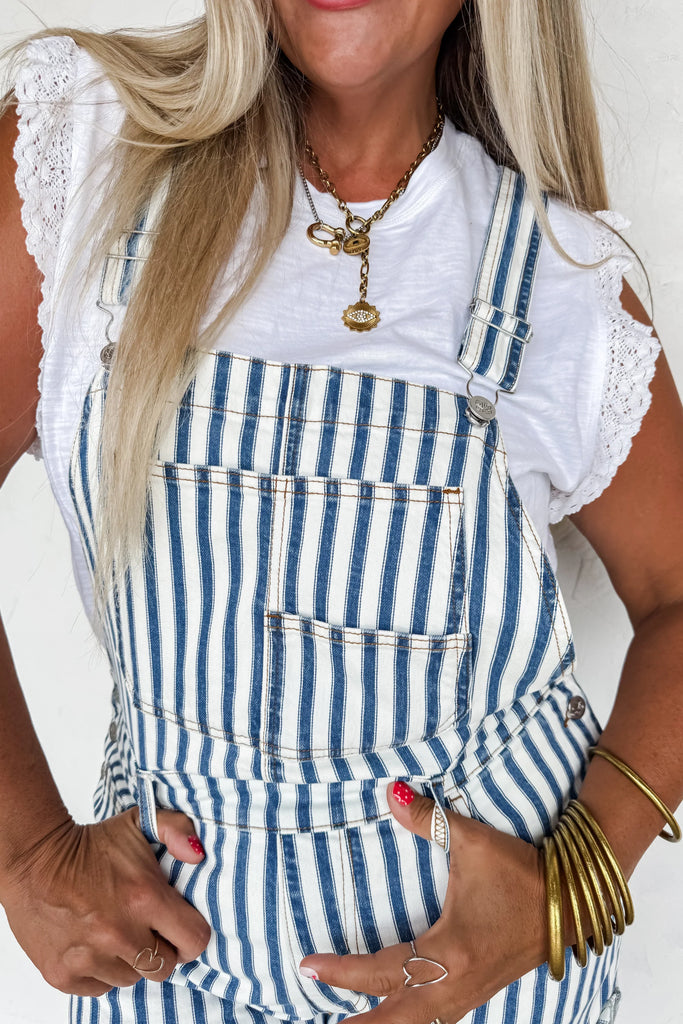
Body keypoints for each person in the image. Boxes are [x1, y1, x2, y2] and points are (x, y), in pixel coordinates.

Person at [0, 1, 682, 1023]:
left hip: (494, 988)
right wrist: (27, 853)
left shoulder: (560, 281)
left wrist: (568, 883)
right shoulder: (89, 150)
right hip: (161, 970)